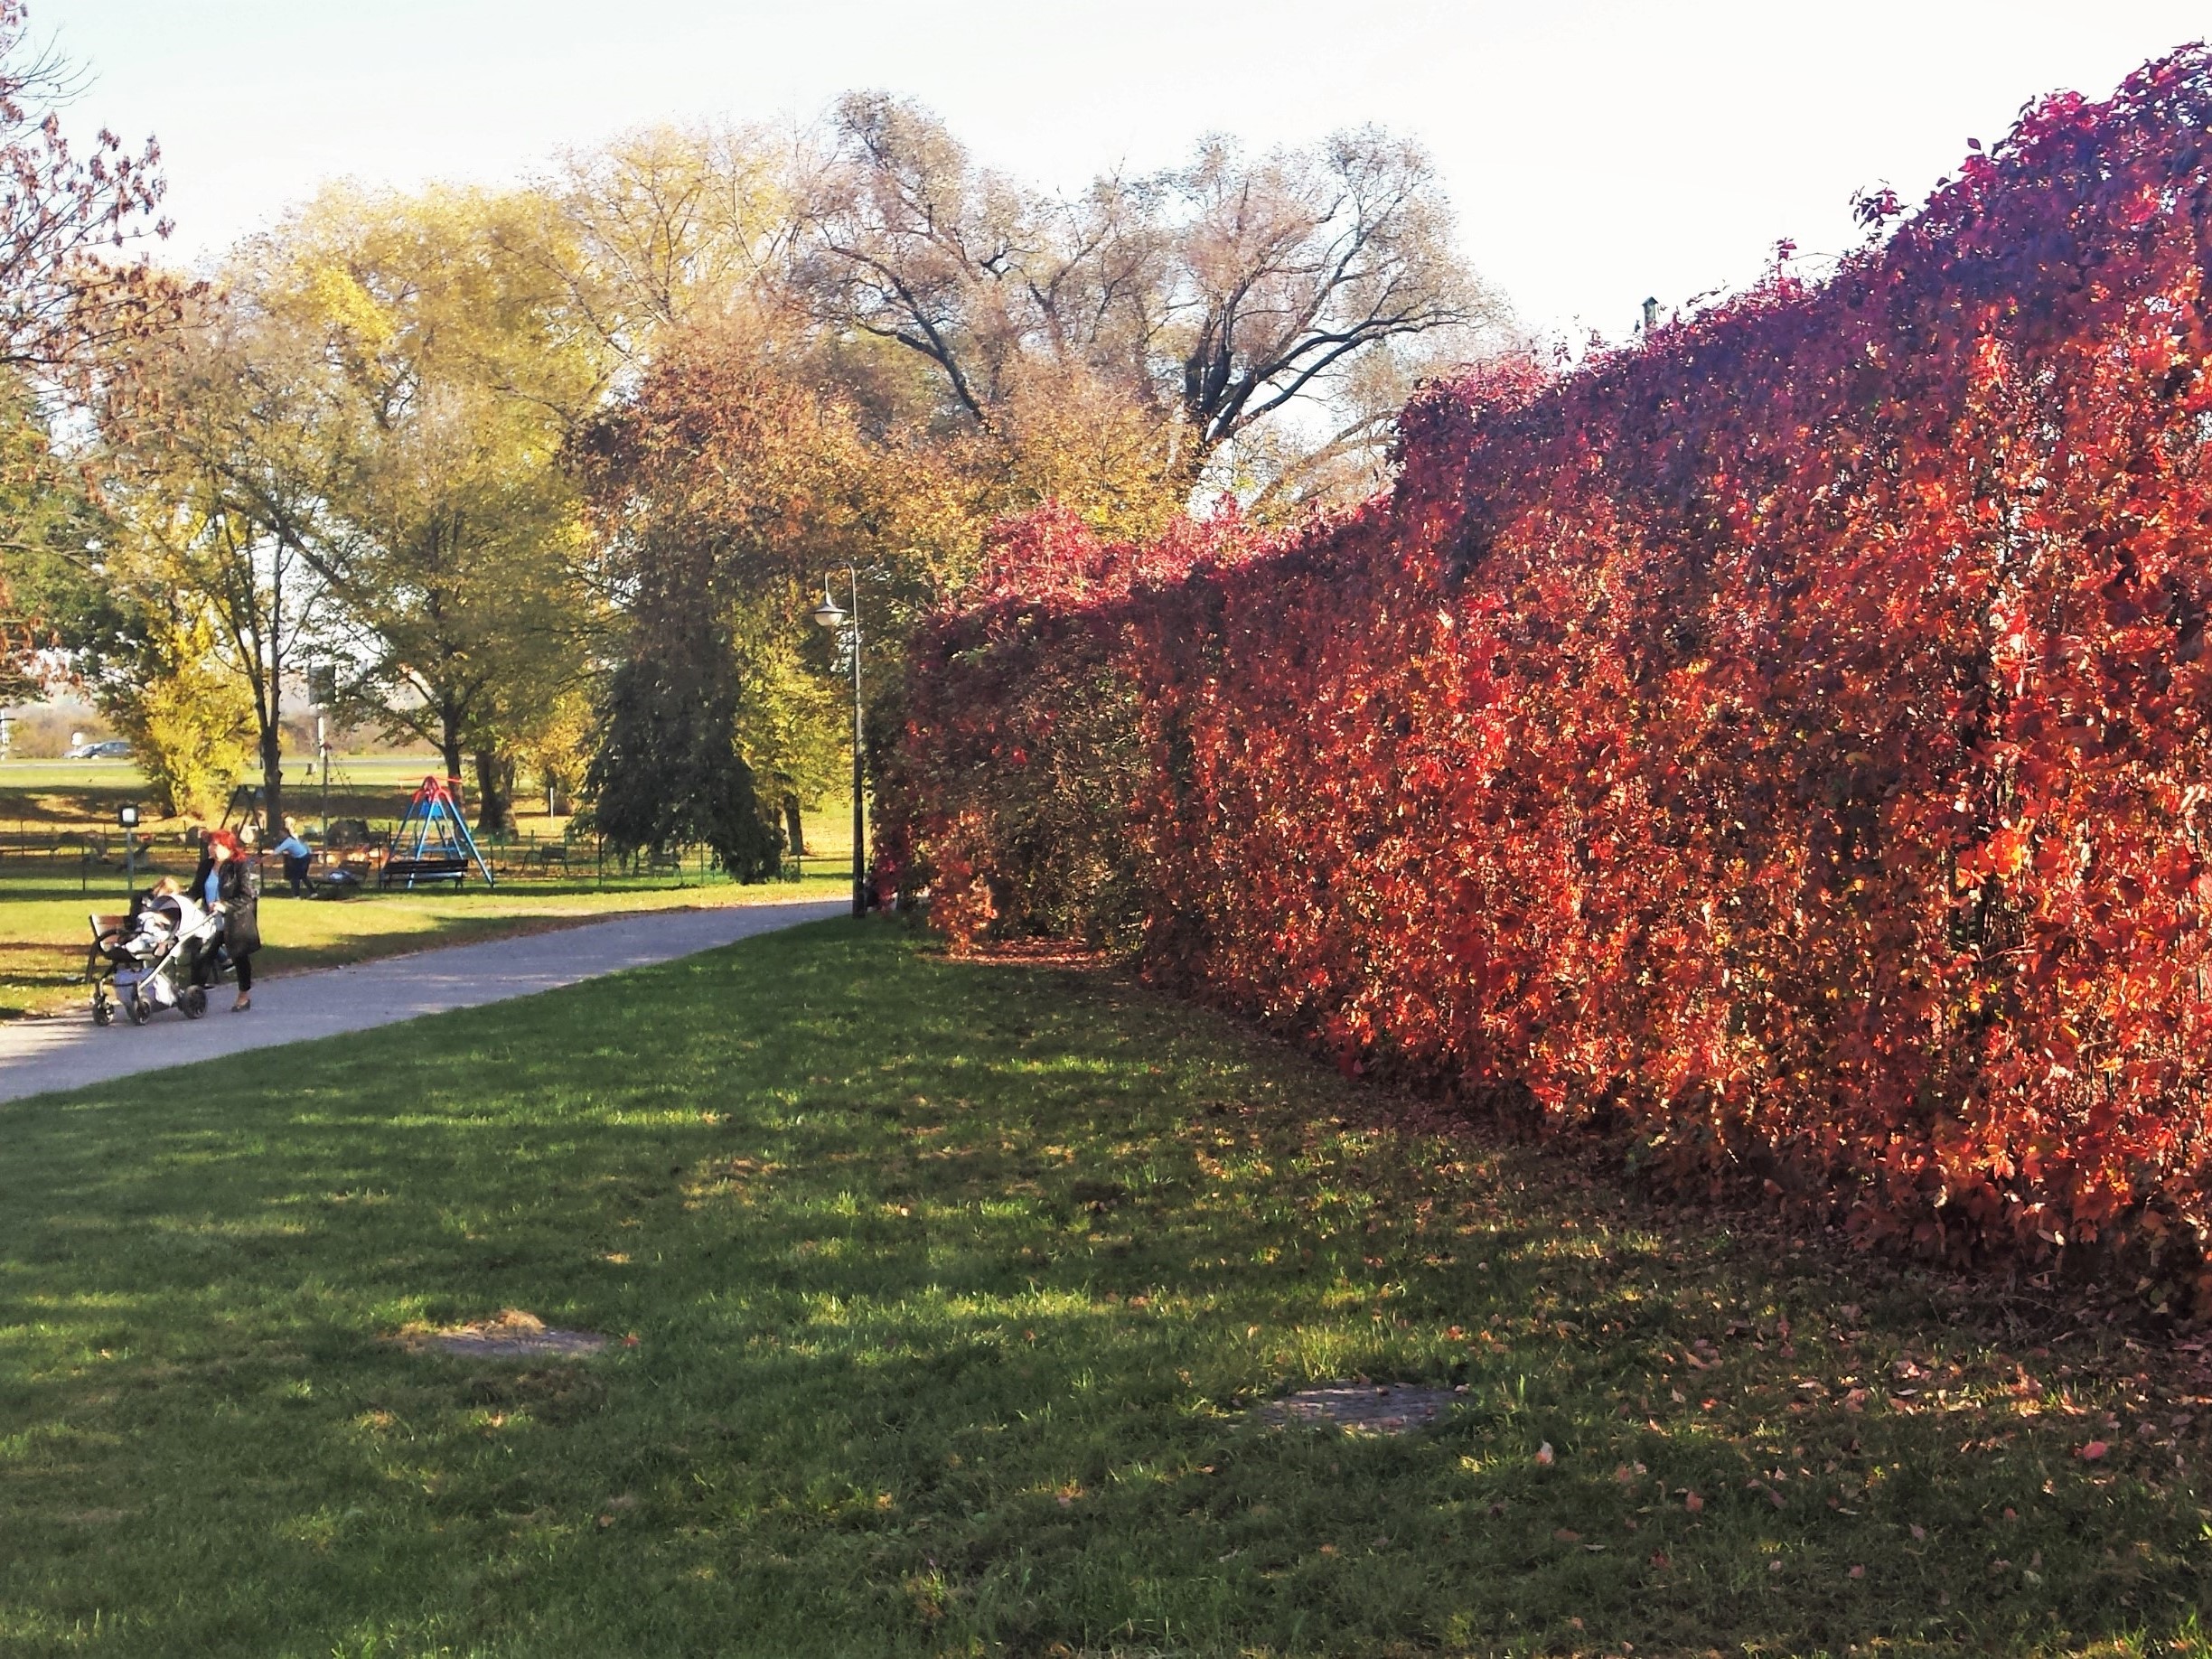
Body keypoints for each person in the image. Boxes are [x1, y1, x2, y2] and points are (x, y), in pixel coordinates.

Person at [191, 830, 261, 1012]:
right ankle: (194, 996)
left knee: (239, 958)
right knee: (202, 956)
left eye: (215, 844)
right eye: (210, 844)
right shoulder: (206, 866)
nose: (210, 848)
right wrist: (178, 901)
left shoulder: (240, 865)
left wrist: (225, 906)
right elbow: (196, 891)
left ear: (226, 846)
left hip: (235, 920)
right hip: (210, 920)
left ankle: (244, 995)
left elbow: (247, 896)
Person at [270, 820, 313, 897]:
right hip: (297, 859)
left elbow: (276, 852)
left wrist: (264, 859)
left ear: (286, 833)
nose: (280, 835)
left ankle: (298, 895)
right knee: (299, 876)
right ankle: (311, 893)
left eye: (282, 833)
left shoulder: (289, 841)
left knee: (297, 877)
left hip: (303, 858)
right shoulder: (285, 841)